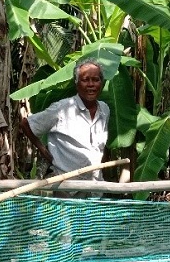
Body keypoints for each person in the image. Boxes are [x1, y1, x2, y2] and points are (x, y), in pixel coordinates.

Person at [20, 58, 109, 186]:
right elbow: (26, 124)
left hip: (95, 187)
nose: (91, 84)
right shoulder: (62, 109)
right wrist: (44, 152)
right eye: (85, 80)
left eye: (96, 80)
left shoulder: (104, 110)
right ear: (77, 83)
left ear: (101, 83)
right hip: (67, 188)